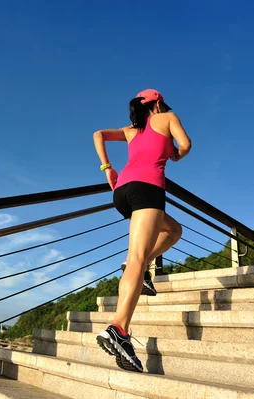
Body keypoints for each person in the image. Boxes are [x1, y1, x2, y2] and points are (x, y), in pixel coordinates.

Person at [93, 89, 191, 372]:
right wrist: (175, 154)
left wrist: (107, 168)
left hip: (122, 190)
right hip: (148, 188)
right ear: (158, 103)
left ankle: (142, 264)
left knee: (172, 230)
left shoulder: (131, 130)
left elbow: (98, 134)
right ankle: (119, 329)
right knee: (136, 258)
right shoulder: (168, 117)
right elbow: (186, 145)